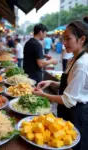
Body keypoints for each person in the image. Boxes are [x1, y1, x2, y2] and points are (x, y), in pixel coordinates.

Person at [33, 17, 88, 150]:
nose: (64, 43)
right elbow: (69, 84)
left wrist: (43, 95)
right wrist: (51, 82)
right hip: (67, 112)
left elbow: (68, 100)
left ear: (82, 39)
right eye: (63, 38)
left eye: (68, 38)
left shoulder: (81, 64)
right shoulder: (72, 59)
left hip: (77, 115)